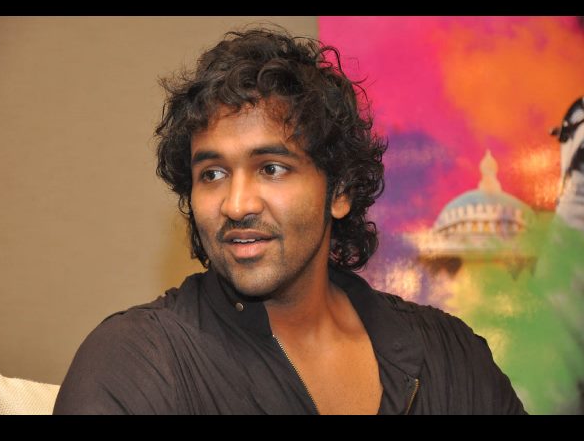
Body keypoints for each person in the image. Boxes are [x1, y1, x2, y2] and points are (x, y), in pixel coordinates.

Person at [53, 26, 526, 415]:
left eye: (272, 168)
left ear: (340, 191)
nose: (236, 204)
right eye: (212, 174)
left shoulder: (451, 356)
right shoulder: (138, 363)